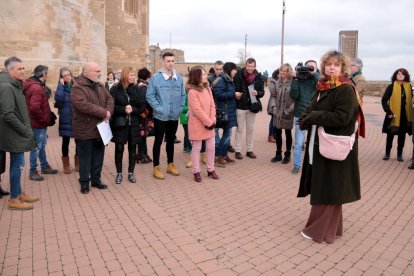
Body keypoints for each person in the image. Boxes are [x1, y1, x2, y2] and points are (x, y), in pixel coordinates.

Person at [297, 50, 364, 244]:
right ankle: (333, 229)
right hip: (321, 142)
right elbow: (313, 108)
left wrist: (315, 117)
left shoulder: (345, 88)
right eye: (328, 64)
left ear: (343, 68)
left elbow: (342, 117)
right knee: (329, 185)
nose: (332, 67)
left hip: (335, 145)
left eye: (336, 64)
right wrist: (306, 117)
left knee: (328, 186)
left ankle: (318, 231)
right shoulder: (322, 86)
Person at [0, 56, 39, 209]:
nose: (23, 71)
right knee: (18, 165)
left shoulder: (14, 84)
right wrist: (24, 130)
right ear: (10, 70)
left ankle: (19, 193)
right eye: (19, 69)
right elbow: (7, 114)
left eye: (23, 68)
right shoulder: (6, 87)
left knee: (19, 164)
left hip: (16, 132)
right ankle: (14, 199)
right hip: (13, 133)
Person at [71, 62, 114, 194]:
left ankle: (96, 180)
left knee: (98, 156)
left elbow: (110, 99)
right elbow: (83, 105)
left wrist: (108, 112)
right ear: (88, 72)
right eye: (97, 71)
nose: (100, 73)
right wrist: (104, 113)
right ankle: (84, 182)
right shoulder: (77, 87)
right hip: (85, 129)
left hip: (100, 128)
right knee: (85, 157)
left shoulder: (100, 85)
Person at [146, 52, 186, 180]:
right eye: (168, 61)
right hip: (160, 116)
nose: (171, 63)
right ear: (163, 62)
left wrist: (180, 108)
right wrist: (159, 108)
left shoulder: (178, 77)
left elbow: (183, 95)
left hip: (174, 115)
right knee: (158, 141)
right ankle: (156, 167)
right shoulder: (156, 78)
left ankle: (170, 164)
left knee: (170, 141)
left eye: (173, 61)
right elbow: (150, 96)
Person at [110, 67, 146, 184]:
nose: (133, 77)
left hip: (134, 124)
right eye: (131, 75)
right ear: (125, 76)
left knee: (132, 148)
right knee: (119, 148)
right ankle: (119, 173)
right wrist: (123, 109)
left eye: (134, 75)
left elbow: (142, 107)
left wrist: (133, 109)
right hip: (120, 124)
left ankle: (131, 173)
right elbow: (111, 106)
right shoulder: (115, 89)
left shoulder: (137, 89)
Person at [23, 65, 58, 181]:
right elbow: (34, 107)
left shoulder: (34, 85)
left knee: (41, 146)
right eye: (47, 73)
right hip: (38, 123)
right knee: (37, 147)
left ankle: (44, 166)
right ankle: (33, 170)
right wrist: (44, 118)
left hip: (37, 123)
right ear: (43, 75)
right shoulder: (37, 88)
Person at [187, 66, 218, 182]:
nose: (206, 76)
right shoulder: (192, 91)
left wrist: (212, 119)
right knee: (196, 148)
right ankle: (196, 172)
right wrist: (208, 122)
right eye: (203, 74)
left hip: (209, 123)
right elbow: (197, 110)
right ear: (197, 77)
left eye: (205, 74)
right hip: (197, 123)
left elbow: (212, 105)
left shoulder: (208, 89)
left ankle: (211, 170)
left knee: (211, 147)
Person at [290, 60, 319, 174]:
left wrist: (314, 73)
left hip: (315, 114)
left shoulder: (317, 80)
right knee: (298, 143)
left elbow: (322, 84)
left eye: (313, 67)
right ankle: (297, 165)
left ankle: (313, 165)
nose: (309, 69)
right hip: (300, 114)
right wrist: (295, 78)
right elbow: (293, 95)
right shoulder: (299, 79)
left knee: (315, 143)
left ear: (317, 69)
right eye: (308, 67)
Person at [233, 58, 265, 159]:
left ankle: (249, 150)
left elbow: (262, 92)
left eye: (252, 66)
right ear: (246, 65)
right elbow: (235, 88)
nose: (250, 68)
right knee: (239, 129)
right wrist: (238, 95)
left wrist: (258, 93)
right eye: (248, 66)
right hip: (241, 106)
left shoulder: (258, 77)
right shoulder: (239, 74)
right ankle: (237, 150)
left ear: (255, 66)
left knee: (250, 130)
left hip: (252, 106)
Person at [381, 68, 412, 161]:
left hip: (405, 116)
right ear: (395, 75)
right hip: (393, 115)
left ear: (405, 76)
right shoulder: (391, 86)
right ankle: (387, 154)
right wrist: (388, 112)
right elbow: (384, 100)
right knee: (390, 135)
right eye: (398, 74)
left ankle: (399, 155)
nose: (400, 75)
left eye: (402, 74)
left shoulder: (409, 87)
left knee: (402, 136)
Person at [213, 62, 240, 167]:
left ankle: (224, 155)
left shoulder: (229, 79)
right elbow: (218, 94)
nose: (236, 71)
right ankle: (218, 156)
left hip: (229, 111)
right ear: (229, 70)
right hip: (224, 112)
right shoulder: (222, 80)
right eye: (234, 69)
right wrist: (233, 94)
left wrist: (234, 96)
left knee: (227, 135)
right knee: (227, 135)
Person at [268, 63, 294, 164]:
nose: (282, 72)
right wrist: (273, 107)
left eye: (285, 71)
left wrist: (289, 110)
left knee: (288, 133)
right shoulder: (277, 82)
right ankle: (278, 154)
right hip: (277, 112)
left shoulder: (293, 83)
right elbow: (273, 96)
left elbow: (296, 99)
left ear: (289, 72)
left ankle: (287, 154)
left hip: (288, 112)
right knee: (277, 133)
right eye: (281, 71)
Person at [54, 67, 79, 174]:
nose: (67, 77)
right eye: (64, 75)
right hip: (65, 117)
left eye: (68, 74)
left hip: (77, 117)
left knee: (78, 141)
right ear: (61, 77)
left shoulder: (76, 85)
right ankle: (66, 165)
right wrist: (61, 85)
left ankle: (78, 163)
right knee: (65, 142)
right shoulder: (61, 87)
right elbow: (58, 99)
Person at [136, 67, 153, 164]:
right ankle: (142, 155)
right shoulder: (143, 87)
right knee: (142, 136)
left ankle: (142, 155)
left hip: (140, 115)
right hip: (143, 115)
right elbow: (145, 102)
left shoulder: (138, 85)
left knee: (142, 136)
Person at [267, 69, 279, 143]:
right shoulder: (272, 81)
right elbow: (274, 92)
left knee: (277, 120)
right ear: (277, 74)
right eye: (280, 73)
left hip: (280, 104)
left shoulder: (281, 81)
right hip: (273, 104)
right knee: (272, 120)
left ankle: (275, 134)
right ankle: (270, 136)